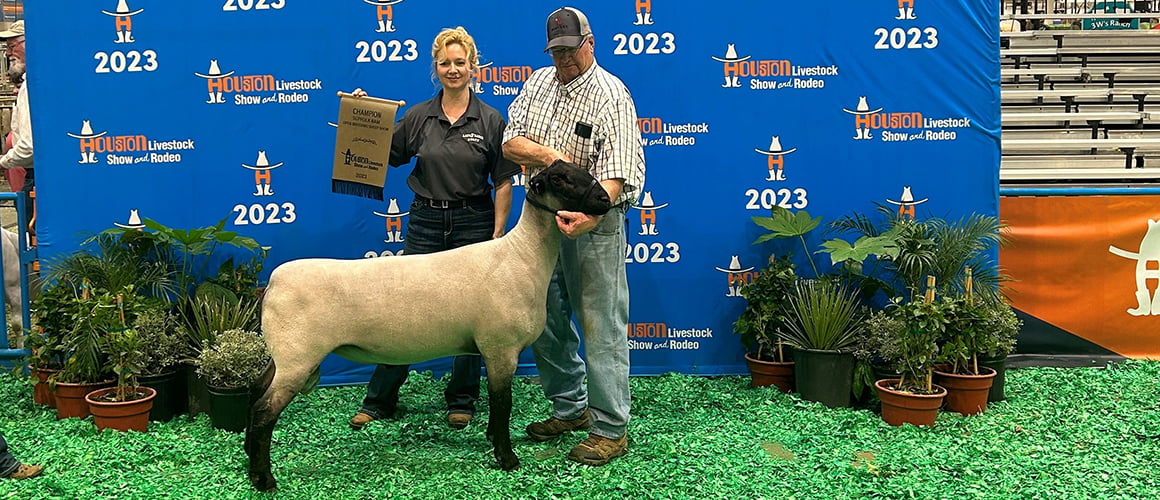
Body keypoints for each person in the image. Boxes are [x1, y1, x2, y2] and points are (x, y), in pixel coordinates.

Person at [348, 26, 520, 431]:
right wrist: (362, 118)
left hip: (474, 222)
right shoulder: (419, 116)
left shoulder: (492, 120)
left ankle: (462, 399)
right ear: (435, 68)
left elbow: (504, 181)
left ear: (474, 67)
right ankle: (380, 399)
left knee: (474, 316)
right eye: (445, 63)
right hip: (425, 220)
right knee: (403, 311)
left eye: (460, 62)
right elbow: (384, 155)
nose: (453, 69)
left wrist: (497, 234)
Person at [501, 6, 646, 466]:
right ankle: (571, 408)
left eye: (571, 49)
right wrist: (551, 156)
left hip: (593, 227)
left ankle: (610, 429)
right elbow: (509, 141)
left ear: (590, 43)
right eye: (556, 51)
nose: (564, 59)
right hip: (540, 225)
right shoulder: (538, 83)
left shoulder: (611, 94)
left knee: (601, 324)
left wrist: (590, 215)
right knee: (541, 319)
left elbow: (618, 174)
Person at [0, 21, 33, 211]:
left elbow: (28, 147)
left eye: (12, 46)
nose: (7, 53)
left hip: (37, 177)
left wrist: (3, 161)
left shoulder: (33, 86)